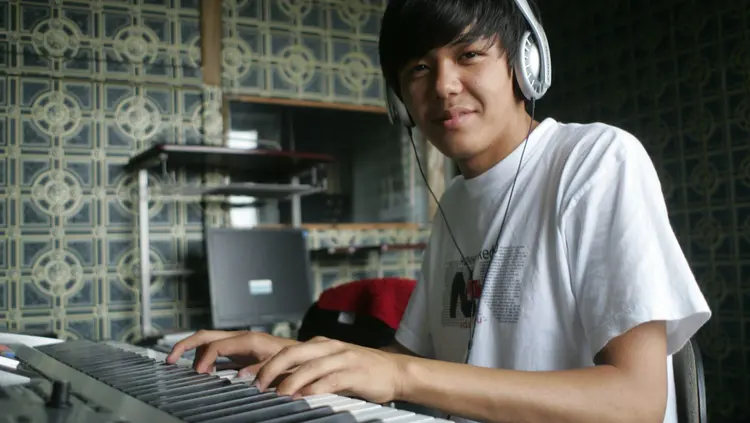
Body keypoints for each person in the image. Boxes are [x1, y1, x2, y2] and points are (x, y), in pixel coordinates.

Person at [167, 1, 712, 422]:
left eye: (468, 54)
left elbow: (634, 402)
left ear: (525, 63)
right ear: (399, 100)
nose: (443, 86)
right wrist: (285, 351)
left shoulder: (595, 161)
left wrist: (401, 374)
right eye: (419, 68)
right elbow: (403, 356)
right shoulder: (455, 199)